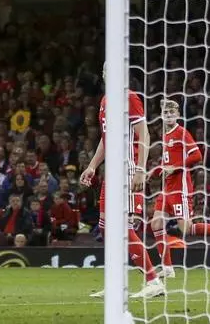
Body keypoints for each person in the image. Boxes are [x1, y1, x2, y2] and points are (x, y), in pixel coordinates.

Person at [80, 64, 166, 299]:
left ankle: (153, 280)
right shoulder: (106, 101)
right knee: (106, 227)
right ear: (103, 75)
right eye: (107, 71)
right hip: (111, 172)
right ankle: (116, 283)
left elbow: (144, 134)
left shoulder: (130, 97)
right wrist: (92, 165)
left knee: (122, 227)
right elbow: (105, 138)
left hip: (127, 169)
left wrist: (140, 169)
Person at [151, 99, 210, 278]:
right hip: (167, 188)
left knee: (186, 229)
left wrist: (175, 167)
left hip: (180, 188)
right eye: (166, 113)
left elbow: (197, 155)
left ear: (178, 115)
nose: (169, 115)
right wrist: (153, 172)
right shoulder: (166, 135)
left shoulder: (181, 132)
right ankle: (167, 268)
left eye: (172, 112)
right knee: (156, 224)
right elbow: (168, 163)